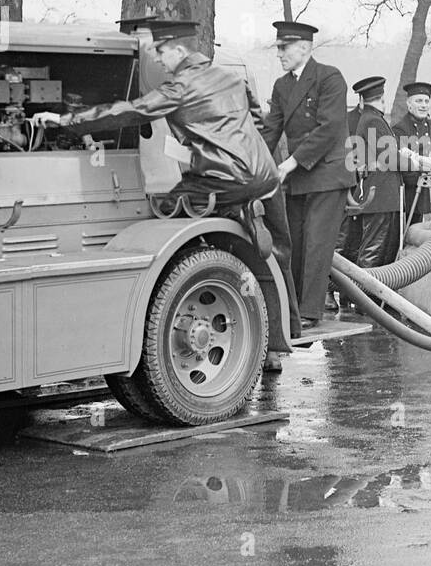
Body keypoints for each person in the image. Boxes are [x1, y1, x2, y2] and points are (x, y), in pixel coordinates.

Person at [35, 17, 301, 344]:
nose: (158, 59)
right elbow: (258, 123)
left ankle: (231, 213)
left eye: (161, 53)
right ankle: (286, 324)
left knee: (164, 209)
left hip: (224, 179)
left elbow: (126, 112)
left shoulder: (180, 86)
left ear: (178, 50)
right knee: (273, 248)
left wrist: (64, 120)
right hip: (263, 176)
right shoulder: (231, 78)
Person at [260, 20, 354, 331]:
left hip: (326, 174)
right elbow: (270, 130)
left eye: (284, 48)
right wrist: (253, 162)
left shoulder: (329, 77)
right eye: (278, 48)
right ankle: (293, 310)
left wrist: (290, 162)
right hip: (300, 176)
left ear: (305, 47)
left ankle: (311, 312)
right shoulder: (282, 85)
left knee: (316, 243)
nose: (280, 54)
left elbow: (328, 128)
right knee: (293, 243)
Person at [337, 76, 401, 270]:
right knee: (374, 253)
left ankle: (363, 297)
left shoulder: (369, 118)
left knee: (378, 252)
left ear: (363, 99)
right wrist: (417, 163)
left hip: (379, 195)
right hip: (379, 196)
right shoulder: (374, 120)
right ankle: (363, 298)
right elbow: (390, 158)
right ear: (382, 98)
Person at [392, 81, 431, 230]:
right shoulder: (399, 128)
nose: (423, 105)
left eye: (426, 101)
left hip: (425, 182)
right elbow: (402, 159)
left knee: (423, 224)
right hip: (407, 185)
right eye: (418, 101)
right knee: (408, 225)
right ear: (409, 104)